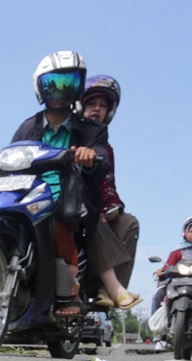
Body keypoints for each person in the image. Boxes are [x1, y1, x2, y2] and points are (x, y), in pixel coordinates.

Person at [0, 51, 108, 318]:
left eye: (69, 83)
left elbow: (101, 157)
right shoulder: (28, 126)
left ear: (78, 87)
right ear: (40, 88)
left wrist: (89, 157)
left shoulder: (90, 129)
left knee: (59, 227)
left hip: (65, 193)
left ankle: (67, 294)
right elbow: (11, 157)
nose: (60, 91)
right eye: (53, 84)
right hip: (26, 189)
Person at [78, 75, 141, 310]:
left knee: (129, 222)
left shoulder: (103, 144)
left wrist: (113, 208)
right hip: (74, 203)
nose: (97, 109)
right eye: (92, 103)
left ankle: (106, 291)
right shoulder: (71, 132)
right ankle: (115, 287)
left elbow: (107, 184)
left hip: (101, 206)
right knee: (93, 216)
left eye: (103, 105)